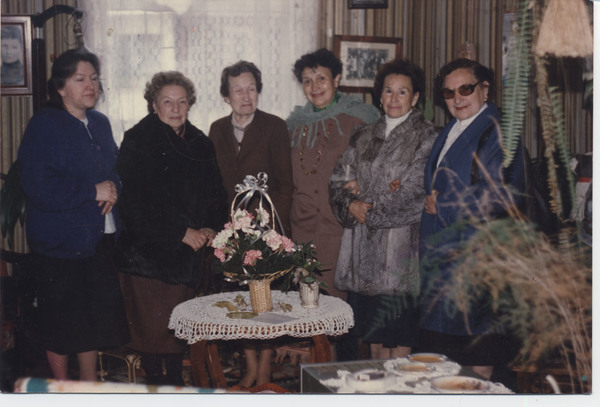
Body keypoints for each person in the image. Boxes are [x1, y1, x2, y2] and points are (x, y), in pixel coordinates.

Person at [17, 48, 129, 381]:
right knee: (61, 324)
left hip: (97, 240)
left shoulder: (100, 122)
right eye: (80, 79)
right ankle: (62, 390)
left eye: (93, 78)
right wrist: (92, 191)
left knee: (90, 321)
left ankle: (89, 385)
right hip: (60, 244)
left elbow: (115, 169)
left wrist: (114, 186)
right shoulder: (45, 124)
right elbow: (38, 184)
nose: (90, 85)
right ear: (60, 87)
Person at [116, 71, 228, 385]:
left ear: (190, 104)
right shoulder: (138, 140)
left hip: (188, 255)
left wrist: (211, 227)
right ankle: (156, 389)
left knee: (178, 335)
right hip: (148, 256)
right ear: (154, 105)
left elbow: (216, 193)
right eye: (167, 101)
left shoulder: (201, 143)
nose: (175, 108)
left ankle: (176, 388)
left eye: (182, 101)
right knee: (153, 337)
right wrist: (180, 232)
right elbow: (134, 204)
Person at [418, 58, 523, 380]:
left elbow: (502, 194)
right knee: (447, 361)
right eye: (449, 93)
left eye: (465, 89)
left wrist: (443, 205)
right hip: (445, 262)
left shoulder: (498, 130)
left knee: (479, 361)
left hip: (479, 261)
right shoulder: (452, 129)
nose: (457, 98)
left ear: (485, 89)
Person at [329, 59, 437, 360]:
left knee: (399, 347)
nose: (394, 98)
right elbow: (339, 180)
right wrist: (350, 204)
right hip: (362, 257)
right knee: (374, 344)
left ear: (415, 97)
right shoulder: (363, 134)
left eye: (403, 92)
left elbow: (415, 191)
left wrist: (368, 210)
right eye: (388, 90)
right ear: (379, 95)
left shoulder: (427, 137)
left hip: (401, 259)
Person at [286, 48, 379, 362]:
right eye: (307, 81)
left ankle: (341, 374)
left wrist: (362, 187)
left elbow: (376, 165)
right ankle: (316, 375)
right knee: (308, 309)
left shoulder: (361, 116)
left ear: (337, 79)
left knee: (339, 311)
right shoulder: (293, 123)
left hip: (340, 227)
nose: (314, 87)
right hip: (302, 228)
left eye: (321, 79)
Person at [208, 61, 292, 388]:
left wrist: (268, 229)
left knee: (266, 301)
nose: (246, 96)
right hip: (231, 232)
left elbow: (285, 185)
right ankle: (251, 368)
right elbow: (215, 185)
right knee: (240, 302)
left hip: (267, 231)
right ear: (226, 96)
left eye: (251, 89)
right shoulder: (216, 129)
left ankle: (265, 369)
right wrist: (226, 230)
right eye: (238, 90)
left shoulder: (274, 127)